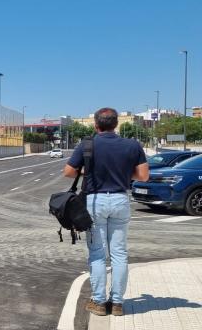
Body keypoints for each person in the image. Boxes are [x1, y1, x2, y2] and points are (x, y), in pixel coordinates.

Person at [63, 107, 149, 317]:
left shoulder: (87, 144)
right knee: (119, 253)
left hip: (95, 201)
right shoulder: (132, 145)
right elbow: (143, 176)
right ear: (116, 124)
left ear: (96, 125)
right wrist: (122, 172)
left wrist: (89, 170)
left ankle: (99, 302)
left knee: (97, 253)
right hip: (120, 199)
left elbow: (69, 172)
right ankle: (117, 303)